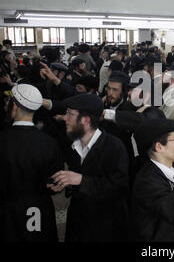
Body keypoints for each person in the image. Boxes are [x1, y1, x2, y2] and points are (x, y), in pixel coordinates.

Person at [0, 84, 63, 242]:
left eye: (8, 101)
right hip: (39, 212)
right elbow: (56, 185)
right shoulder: (50, 144)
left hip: (6, 215)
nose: (6, 104)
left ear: (14, 106)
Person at [47, 93, 130, 242]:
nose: (65, 118)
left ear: (85, 120)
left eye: (70, 114)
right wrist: (66, 183)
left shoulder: (114, 147)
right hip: (78, 222)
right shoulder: (70, 142)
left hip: (105, 227)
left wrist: (81, 180)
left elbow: (119, 187)